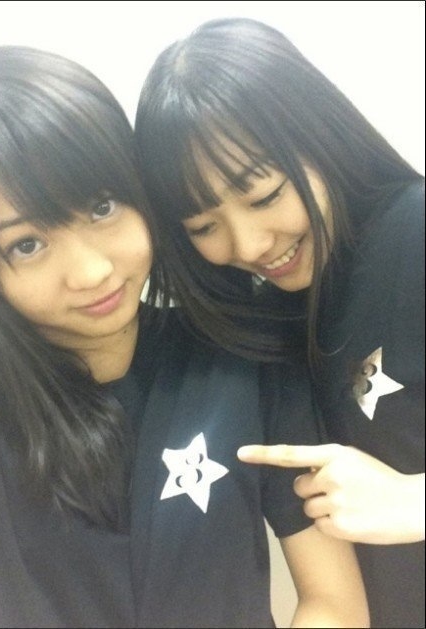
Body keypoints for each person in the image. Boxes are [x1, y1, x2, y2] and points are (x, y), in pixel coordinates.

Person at [0, 46, 369, 629]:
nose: (92, 271)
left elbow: (333, 602)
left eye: (102, 207)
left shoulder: (242, 356)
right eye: (27, 244)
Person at [134, 16, 425, 629]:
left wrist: (414, 501)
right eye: (204, 226)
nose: (248, 244)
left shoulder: (416, 232)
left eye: (264, 195)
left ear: (319, 134)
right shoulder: (274, 316)